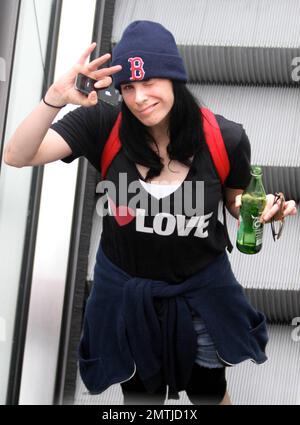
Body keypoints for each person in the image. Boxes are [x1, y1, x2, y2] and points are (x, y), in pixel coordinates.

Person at [4, 20, 297, 405]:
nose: (139, 97)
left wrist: (258, 212)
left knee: (208, 388)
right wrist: (55, 97)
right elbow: (17, 155)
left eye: (150, 82)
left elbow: (233, 198)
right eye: (128, 87)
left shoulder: (225, 138)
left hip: (199, 293)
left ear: (174, 78)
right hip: (128, 294)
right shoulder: (102, 124)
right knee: (141, 395)